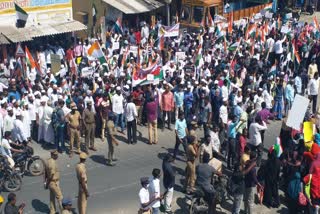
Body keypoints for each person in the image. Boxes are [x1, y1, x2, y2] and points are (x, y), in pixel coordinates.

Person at [44, 150, 63, 214]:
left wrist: (46, 183)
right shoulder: (52, 163)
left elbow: (45, 173)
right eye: (56, 155)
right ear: (52, 155)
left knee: (52, 199)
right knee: (60, 197)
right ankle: (63, 211)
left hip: (50, 183)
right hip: (54, 182)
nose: (57, 156)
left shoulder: (47, 161)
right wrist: (48, 182)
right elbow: (51, 174)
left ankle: (52, 211)